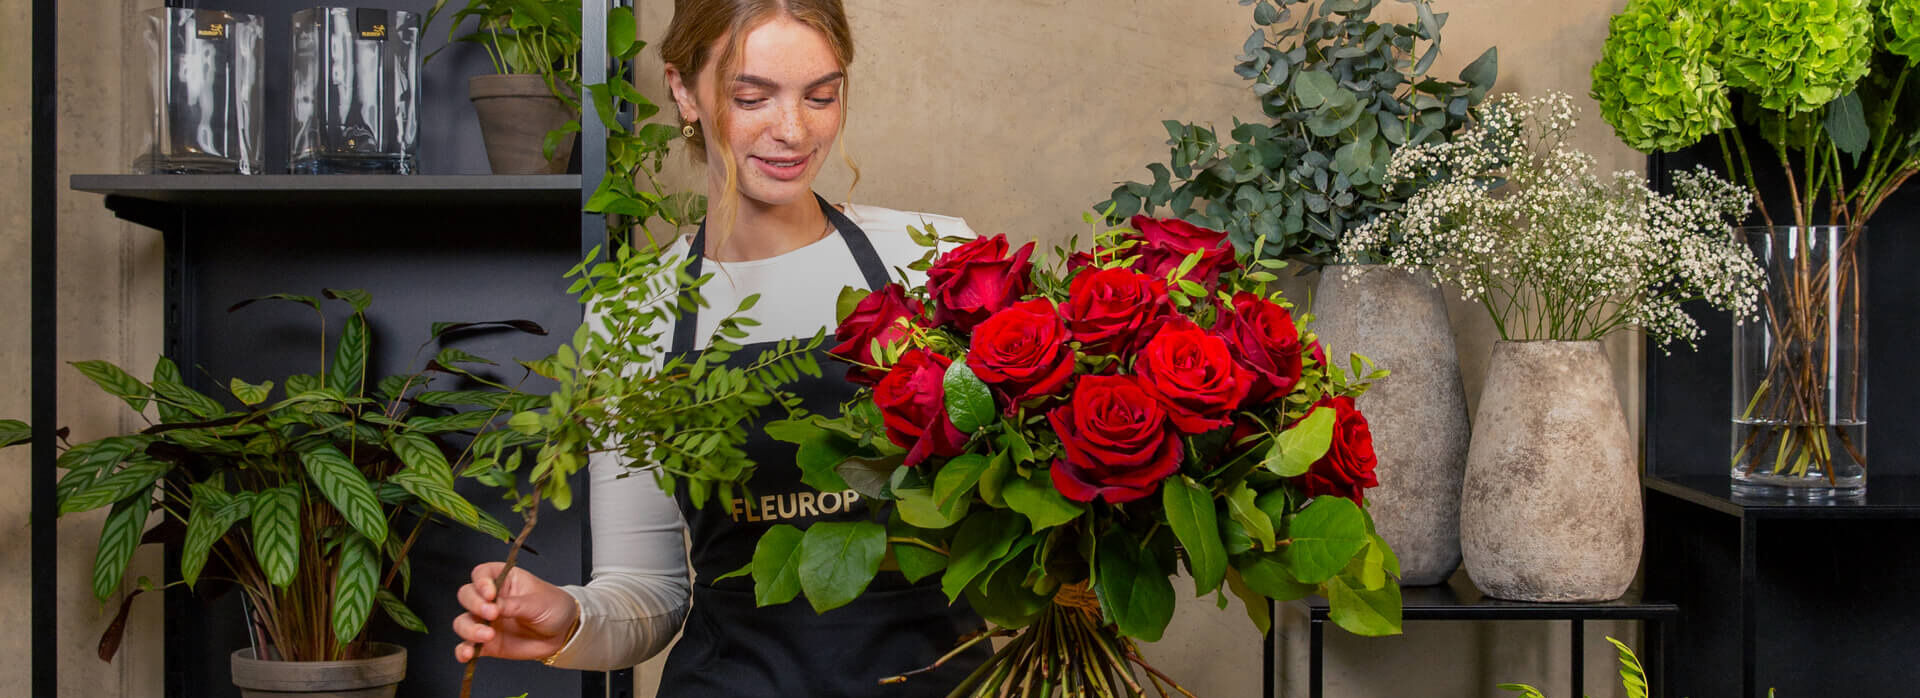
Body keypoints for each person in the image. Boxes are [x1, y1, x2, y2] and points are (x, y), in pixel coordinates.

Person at [449, 1, 990, 695]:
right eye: (751, 97)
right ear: (682, 90)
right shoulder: (632, 314)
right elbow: (649, 592)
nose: (793, 131)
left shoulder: (942, 260)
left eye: (821, 96)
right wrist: (569, 622)